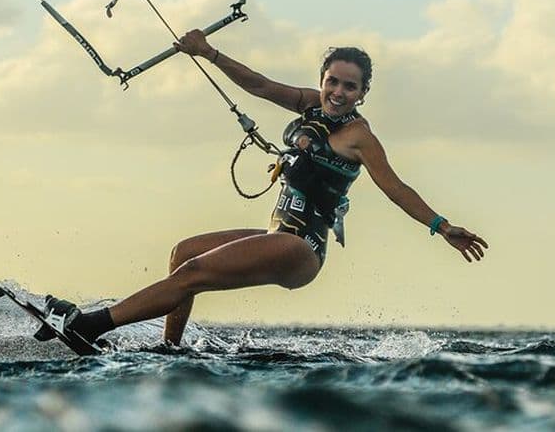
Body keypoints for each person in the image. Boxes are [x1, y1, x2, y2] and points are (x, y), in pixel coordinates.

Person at [45, 30, 489, 347]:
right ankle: (171, 349)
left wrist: (441, 225)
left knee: (193, 273)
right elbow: (259, 85)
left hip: (302, 248)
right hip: (277, 234)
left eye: (348, 86)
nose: (336, 91)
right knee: (184, 253)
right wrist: (209, 53)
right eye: (331, 81)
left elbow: (396, 187)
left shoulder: (360, 137)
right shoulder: (308, 103)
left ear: (362, 93)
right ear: (322, 80)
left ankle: (91, 324)